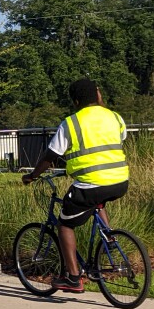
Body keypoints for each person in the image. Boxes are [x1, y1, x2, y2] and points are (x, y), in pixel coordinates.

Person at [22, 78, 129, 293]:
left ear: (76, 101)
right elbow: (114, 142)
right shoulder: (115, 117)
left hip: (91, 183)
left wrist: (33, 175)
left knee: (64, 224)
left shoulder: (71, 123)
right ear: (98, 95)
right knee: (98, 203)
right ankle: (109, 244)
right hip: (120, 180)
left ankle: (72, 277)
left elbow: (51, 155)